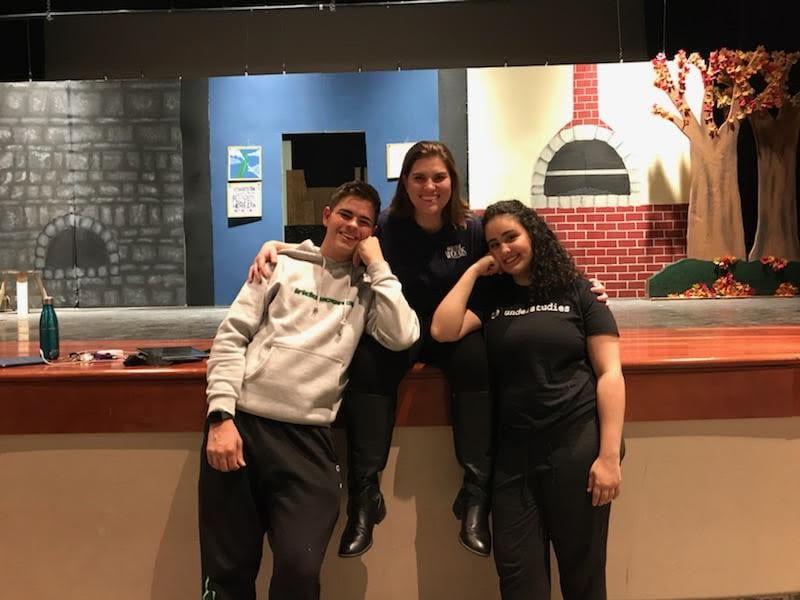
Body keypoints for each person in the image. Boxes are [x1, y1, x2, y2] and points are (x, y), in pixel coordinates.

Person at [250, 141, 608, 558]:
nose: (429, 186)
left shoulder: (473, 230)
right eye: (419, 177)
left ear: (452, 181)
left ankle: (475, 497)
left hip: (455, 332)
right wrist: (277, 247)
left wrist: (579, 285)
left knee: (477, 360)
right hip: (400, 330)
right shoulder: (386, 225)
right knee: (367, 363)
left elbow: (519, 261)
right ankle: (365, 501)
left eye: (439, 176)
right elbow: (340, 247)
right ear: (406, 182)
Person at [199, 181, 419, 600]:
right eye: (346, 215)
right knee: (226, 574)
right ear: (326, 215)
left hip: (310, 441)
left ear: (373, 233)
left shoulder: (368, 290)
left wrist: (379, 267)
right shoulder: (278, 265)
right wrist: (221, 417)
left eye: (365, 222)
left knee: (300, 573)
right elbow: (230, 339)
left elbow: (403, 335)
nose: (353, 226)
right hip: (244, 428)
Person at [431, 199, 624, 600]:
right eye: (493, 244)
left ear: (533, 234)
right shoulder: (493, 297)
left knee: (583, 577)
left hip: (576, 447)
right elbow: (443, 329)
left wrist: (608, 458)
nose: (504, 250)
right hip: (513, 455)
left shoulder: (578, 290)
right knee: (519, 581)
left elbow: (610, 374)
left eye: (511, 237)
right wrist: (472, 271)